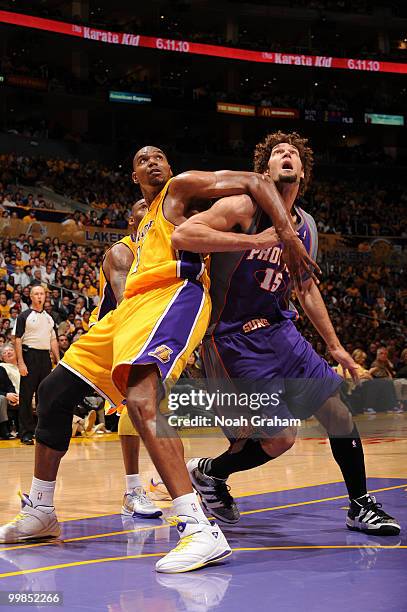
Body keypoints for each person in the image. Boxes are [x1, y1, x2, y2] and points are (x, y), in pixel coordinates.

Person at [0, 145, 315, 573]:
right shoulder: (140, 228)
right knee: (54, 390)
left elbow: (257, 181)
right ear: (132, 176)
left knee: (142, 397)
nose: (152, 161)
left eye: (159, 157)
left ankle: (198, 528)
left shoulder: (180, 188)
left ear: (169, 167)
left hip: (175, 294)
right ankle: (41, 510)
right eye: (142, 159)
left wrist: (279, 235)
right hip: (130, 309)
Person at [171, 131, 400, 536]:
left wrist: (336, 346)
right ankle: (209, 472)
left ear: (304, 173)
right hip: (232, 338)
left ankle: (360, 504)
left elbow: (306, 286)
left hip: (282, 332)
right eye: (278, 153)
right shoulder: (242, 206)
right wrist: (251, 239)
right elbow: (183, 235)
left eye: (293, 153)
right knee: (280, 437)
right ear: (265, 170)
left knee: (339, 413)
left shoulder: (307, 226)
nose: (286, 156)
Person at [89, 198, 161, 518]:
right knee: (133, 405)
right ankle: (133, 489)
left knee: (158, 409)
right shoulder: (122, 252)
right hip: (113, 334)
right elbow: (124, 305)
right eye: (143, 213)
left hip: (147, 334)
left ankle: (164, 477)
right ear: (133, 224)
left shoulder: (159, 253)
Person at [12, 286, 60, 444]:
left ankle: (41, 431)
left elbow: (53, 339)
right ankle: (26, 432)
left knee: (44, 395)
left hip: (45, 357)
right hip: (29, 356)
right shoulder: (24, 316)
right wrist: (20, 362)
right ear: (31, 297)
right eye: (36, 294)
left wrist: (57, 360)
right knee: (26, 396)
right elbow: (17, 339)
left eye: (42, 294)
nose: (40, 297)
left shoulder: (49, 317)